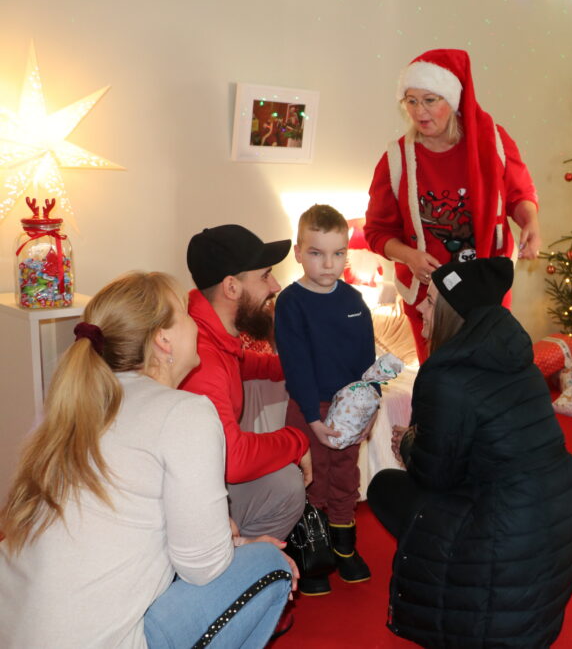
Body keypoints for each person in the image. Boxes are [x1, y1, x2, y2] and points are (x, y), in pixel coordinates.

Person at [0, 272, 296, 648]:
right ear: (163, 339)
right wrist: (242, 546)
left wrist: (228, 538)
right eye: (186, 314)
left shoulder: (78, 403)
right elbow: (203, 568)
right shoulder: (185, 412)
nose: (195, 323)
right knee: (271, 564)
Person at [367, 257, 572, 648]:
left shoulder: (445, 376)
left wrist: (408, 444)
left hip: (507, 524)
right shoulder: (517, 360)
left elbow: (435, 477)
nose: (420, 309)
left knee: (385, 486)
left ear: (453, 314)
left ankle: (447, 577)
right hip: (559, 508)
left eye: (430, 301)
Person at [364, 48, 541, 363]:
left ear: (452, 99)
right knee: (439, 377)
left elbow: (518, 194)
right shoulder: (397, 160)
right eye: (411, 101)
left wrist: (531, 222)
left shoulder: (492, 142)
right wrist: (409, 257)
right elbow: (377, 232)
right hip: (429, 299)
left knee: (488, 373)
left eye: (430, 100)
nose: (419, 111)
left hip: (485, 287)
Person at [181, 224, 311, 541]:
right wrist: (296, 441)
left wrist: (299, 366)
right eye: (265, 276)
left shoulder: (209, 332)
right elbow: (233, 459)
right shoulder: (203, 360)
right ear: (231, 287)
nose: (275, 286)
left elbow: (244, 363)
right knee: (286, 484)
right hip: (187, 501)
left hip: (199, 481)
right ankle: (238, 560)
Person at [275, 204, 376, 594]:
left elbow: (368, 362)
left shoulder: (354, 301)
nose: (328, 264)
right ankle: (312, 552)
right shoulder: (291, 302)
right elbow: (296, 364)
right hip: (309, 408)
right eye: (317, 253)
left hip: (349, 408)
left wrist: (371, 408)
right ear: (299, 252)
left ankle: (343, 548)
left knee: (345, 476)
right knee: (312, 476)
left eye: (338, 253)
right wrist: (313, 420)